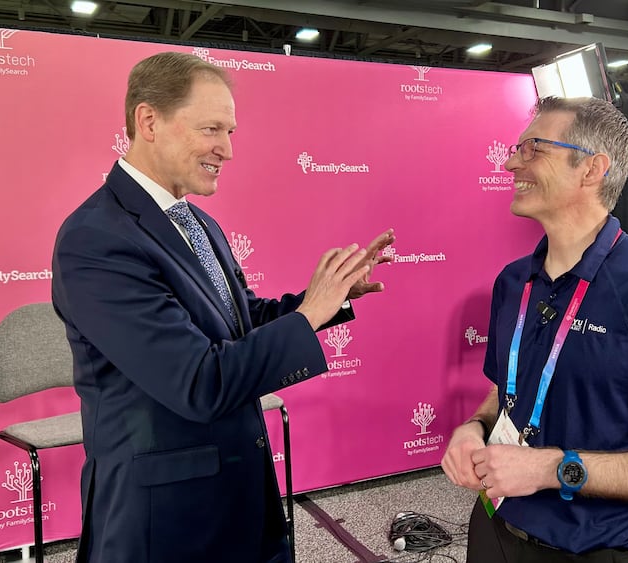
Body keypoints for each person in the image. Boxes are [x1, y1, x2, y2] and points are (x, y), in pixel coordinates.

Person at [51, 51, 395, 563]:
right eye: (213, 128)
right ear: (149, 121)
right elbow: (198, 382)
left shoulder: (197, 222)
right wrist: (308, 316)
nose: (227, 150)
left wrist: (326, 301)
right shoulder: (96, 239)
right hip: (166, 520)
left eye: (230, 132)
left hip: (240, 492)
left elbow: (239, 323)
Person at [441, 96, 628, 562]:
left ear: (592, 168)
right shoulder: (512, 282)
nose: (508, 163)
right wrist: (471, 427)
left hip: (598, 549)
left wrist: (554, 469)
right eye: (515, 149)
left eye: (532, 149)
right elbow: (504, 393)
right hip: (495, 530)